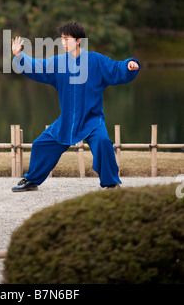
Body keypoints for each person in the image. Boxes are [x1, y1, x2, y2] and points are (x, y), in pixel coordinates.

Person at [11, 22, 140, 192]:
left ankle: (111, 183)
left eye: (66, 39)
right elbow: (37, 66)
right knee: (41, 144)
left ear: (78, 40)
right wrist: (20, 56)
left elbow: (116, 69)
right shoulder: (58, 62)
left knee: (102, 142)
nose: (63, 43)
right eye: (62, 39)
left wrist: (129, 65)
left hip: (92, 119)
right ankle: (32, 180)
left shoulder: (96, 60)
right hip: (67, 121)